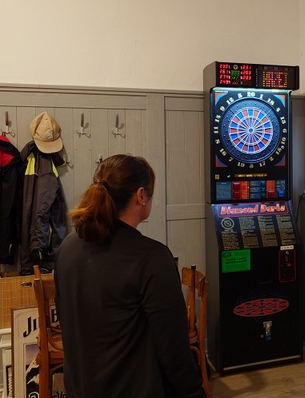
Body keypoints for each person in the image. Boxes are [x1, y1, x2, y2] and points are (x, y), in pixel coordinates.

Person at [54, 154, 206, 398]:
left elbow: (67, 322)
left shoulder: (68, 247)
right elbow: (174, 350)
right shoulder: (151, 257)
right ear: (141, 195)